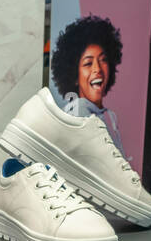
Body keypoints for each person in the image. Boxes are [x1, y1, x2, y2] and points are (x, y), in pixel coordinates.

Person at [51, 14, 126, 152]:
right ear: (74, 74)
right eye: (88, 63)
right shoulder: (77, 113)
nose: (97, 69)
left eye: (103, 60)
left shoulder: (109, 116)